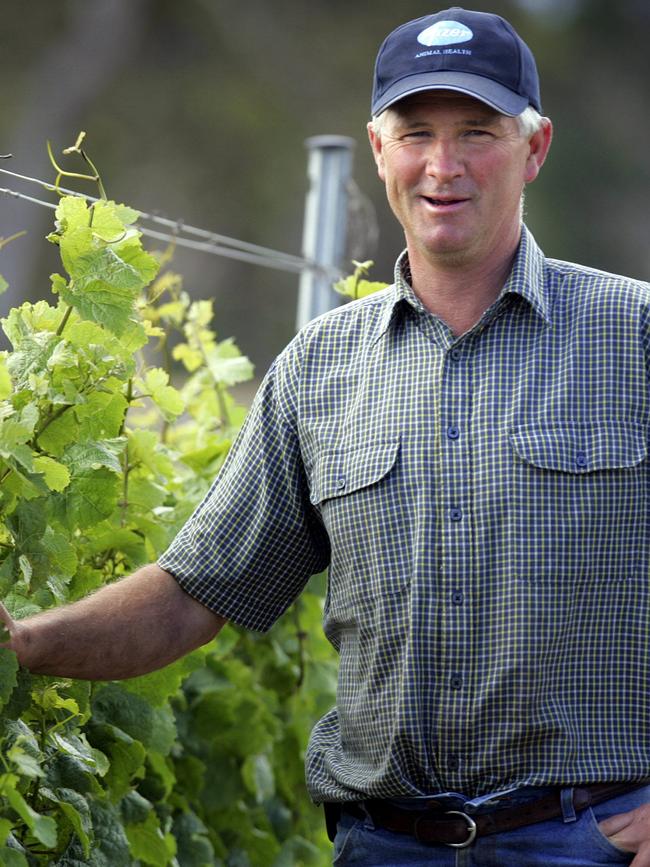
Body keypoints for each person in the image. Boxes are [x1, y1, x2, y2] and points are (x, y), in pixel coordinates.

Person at [3, 7, 650, 865]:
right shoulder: (320, 367)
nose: (442, 165)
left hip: (589, 842)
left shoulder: (632, 335)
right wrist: (22, 644)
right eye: (416, 132)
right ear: (379, 151)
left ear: (535, 149)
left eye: (477, 133)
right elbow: (194, 591)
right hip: (384, 848)